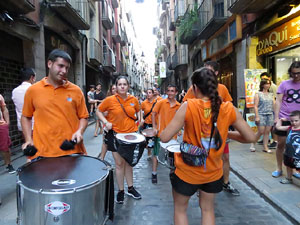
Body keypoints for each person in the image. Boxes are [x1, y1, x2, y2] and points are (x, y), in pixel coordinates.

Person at [160, 67, 256, 225]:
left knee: (180, 209)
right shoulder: (228, 108)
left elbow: (164, 138)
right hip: (213, 172)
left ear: (195, 88)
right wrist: (223, 133)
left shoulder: (188, 106)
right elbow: (250, 137)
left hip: (187, 171)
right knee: (207, 209)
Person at [183, 61, 239, 196]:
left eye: (209, 71)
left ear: (216, 73)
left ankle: (225, 182)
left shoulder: (223, 89)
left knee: (225, 157)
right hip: (200, 132)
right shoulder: (193, 89)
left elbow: (229, 109)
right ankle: (200, 182)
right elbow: (185, 106)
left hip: (219, 132)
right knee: (199, 157)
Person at [21, 49, 89, 160]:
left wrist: (79, 131)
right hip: (42, 153)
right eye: (60, 66)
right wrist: (28, 139)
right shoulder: (33, 90)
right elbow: (26, 117)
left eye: (67, 68)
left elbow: (84, 117)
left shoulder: (76, 90)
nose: (64, 71)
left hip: (71, 150)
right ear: (49, 64)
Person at [97, 76, 142, 204]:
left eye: (124, 84)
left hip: (131, 136)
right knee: (119, 164)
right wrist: (105, 122)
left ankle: (131, 188)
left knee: (129, 163)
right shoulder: (110, 100)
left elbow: (139, 111)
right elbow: (98, 111)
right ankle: (121, 191)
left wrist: (140, 120)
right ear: (116, 86)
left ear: (128, 86)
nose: (122, 86)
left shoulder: (133, 99)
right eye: (120, 84)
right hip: (115, 136)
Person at [272, 61, 300, 179]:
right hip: (285, 118)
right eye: (293, 73)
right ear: (290, 72)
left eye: (298, 73)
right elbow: (278, 101)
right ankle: (279, 168)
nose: (296, 76)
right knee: (281, 145)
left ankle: (293, 169)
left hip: (298, 120)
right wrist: (276, 118)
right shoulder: (284, 84)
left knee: (295, 146)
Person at [152, 84, 181, 184]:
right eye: (168, 91)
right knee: (156, 154)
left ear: (176, 92)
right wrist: (154, 127)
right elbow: (153, 113)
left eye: (172, 91)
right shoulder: (161, 102)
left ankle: (173, 174)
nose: (170, 93)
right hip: (161, 134)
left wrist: (180, 130)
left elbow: (181, 120)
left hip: (173, 136)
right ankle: (154, 173)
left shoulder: (179, 106)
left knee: (172, 157)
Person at [250, 79, 275, 152]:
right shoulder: (258, 94)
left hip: (270, 114)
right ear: (262, 85)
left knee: (267, 131)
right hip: (261, 114)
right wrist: (257, 116)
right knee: (261, 131)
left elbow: (274, 104)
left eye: (269, 84)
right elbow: (255, 106)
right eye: (266, 84)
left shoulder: (271, 94)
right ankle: (253, 143)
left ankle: (265, 147)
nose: (268, 85)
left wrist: (277, 114)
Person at [275, 110, 300, 184]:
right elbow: (278, 127)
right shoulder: (289, 128)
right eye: (292, 121)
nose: (294, 123)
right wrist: (280, 120)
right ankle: (289, 178)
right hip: (289, 153)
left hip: (298, 154)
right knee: (288, 166)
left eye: (296, 121)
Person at [259, 72, 278, 149]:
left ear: (269, 78)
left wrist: (276, 111)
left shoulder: (273, 86)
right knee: (264, 129)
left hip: (271, 109)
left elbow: (276, 98)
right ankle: (266, 141)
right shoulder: (260, 92)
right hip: (265, 110)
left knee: (272, 127)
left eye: (265, 78)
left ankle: (274, 141)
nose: (264, 80)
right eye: (262, 79)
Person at [98, 84, 116, 160]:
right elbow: (100, 111)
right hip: (109, 125)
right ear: (111, 90)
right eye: (113, 89)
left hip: (119, 126)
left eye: (116, 88)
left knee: (114, 144)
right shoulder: (108, 100)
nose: (115, 90)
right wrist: (105, 119)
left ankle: (118, 163)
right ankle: (102, 159)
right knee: (106, 142)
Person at [140, 88, 157, 162]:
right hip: (147, 124)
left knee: (155, 139)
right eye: (147, 93)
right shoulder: (144, 103)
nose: (148, 94)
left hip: (155, 124)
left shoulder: (157, 102)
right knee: (148, 141)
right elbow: (140, 111)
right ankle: (149, 153)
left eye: (150, 93)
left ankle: (155, 153)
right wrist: (141, 119)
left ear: (153, 94)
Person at [0, 94, 16, 174]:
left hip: (1, 124)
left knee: (5, 147)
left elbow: (4, 108)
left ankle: (9, 164)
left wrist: (7, 122)